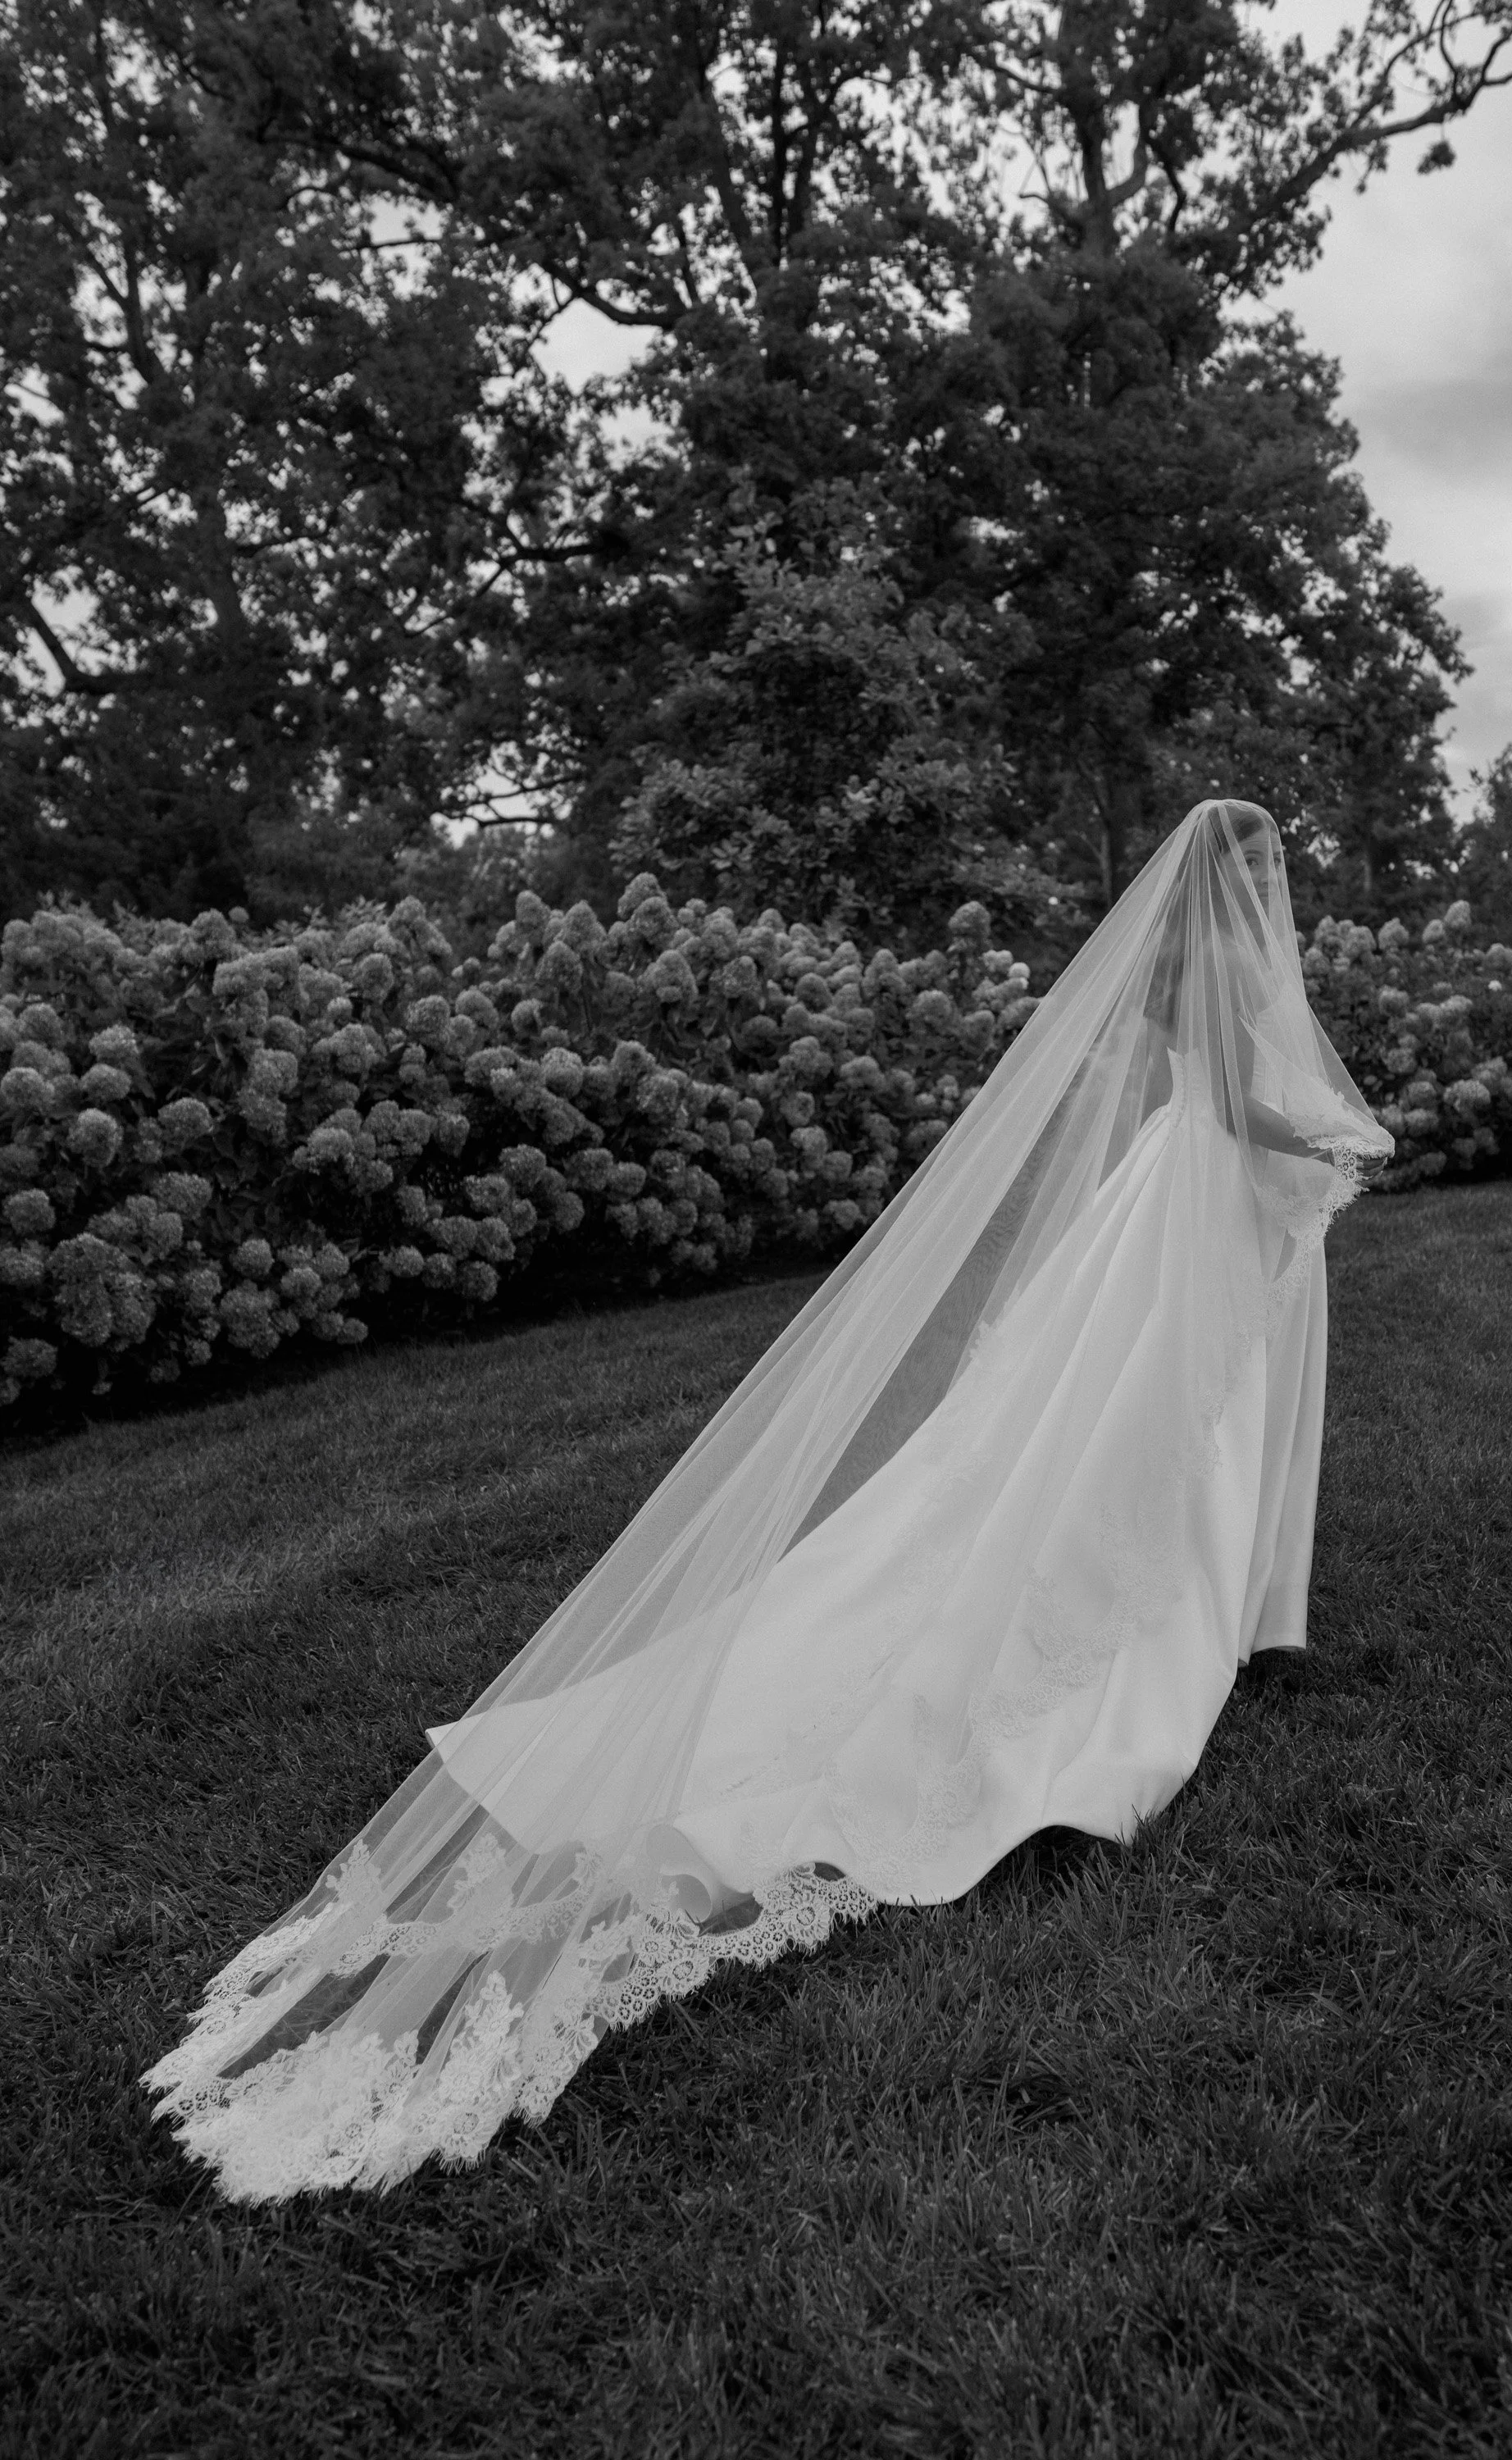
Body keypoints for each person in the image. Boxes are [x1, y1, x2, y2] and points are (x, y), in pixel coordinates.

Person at [144, 798, 1393, 2202]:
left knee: (1122, 1425)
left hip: (1174, 1205)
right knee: (1160, 1430)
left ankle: (1192, 1603)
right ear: (1236, 881)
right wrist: (1338, 1143)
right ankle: (1149, 1630)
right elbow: (1236, 1103)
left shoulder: (1177, 964)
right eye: (1262, 868)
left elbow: (1199, 1093)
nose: (1269, 889)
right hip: (1199, 1200)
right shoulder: (1228, 969)